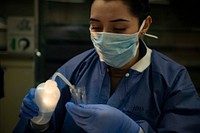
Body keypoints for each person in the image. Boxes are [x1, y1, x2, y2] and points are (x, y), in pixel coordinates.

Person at [13, 0, 200, 132]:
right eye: (95, 27)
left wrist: (132, 131)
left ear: (145, 25)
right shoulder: (74, 69)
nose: (104, 36)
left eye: (119, 29)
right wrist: (39, 121)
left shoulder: (173, 79)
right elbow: (40, 126)